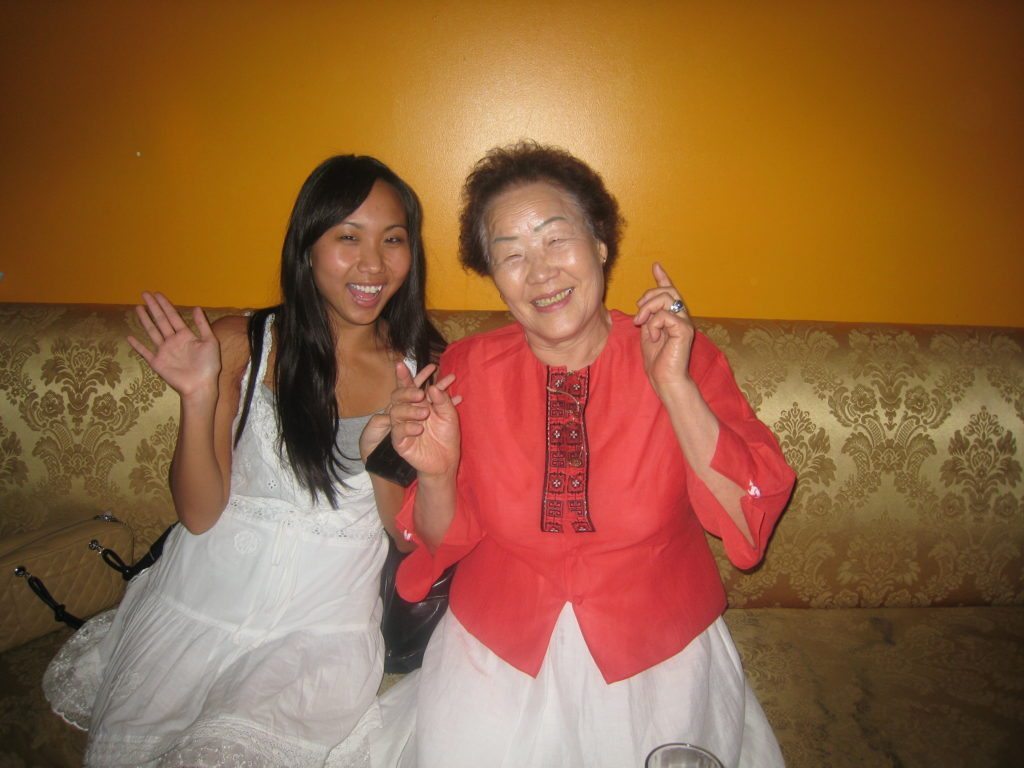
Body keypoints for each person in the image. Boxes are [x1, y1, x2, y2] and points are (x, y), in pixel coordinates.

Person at [372, 141, 796, 768]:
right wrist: (436, 475)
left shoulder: (677, 353)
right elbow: (436, 540)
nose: (539, 272)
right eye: (511, 255)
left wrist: (674, 387)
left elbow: (746, 523)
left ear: (599, 243)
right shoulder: (467, 370)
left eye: (555, 239)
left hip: (658, 654)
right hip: (496, 651)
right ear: (494, 276)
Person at [43, 155, 444, 767]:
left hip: (319, 631)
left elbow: (407, 536)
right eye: (348, 238)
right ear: (307, 247)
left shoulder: (423, 366)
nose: (373, 264)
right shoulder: (244, 343)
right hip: (202, 606)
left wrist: (382, 459)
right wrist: (197, 396)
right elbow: (200, 514)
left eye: (393, 240)